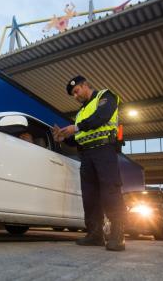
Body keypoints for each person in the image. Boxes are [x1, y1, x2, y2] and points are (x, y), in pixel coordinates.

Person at [53, 75, 126, 251]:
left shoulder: (105, 96)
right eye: (72, 95)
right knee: (90, 196)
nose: (75, 96)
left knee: (110, 191)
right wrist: (63, 138)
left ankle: (118, 235)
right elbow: (79, 138)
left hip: (104, 151)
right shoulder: (80, 114)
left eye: (76, 91)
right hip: (86, 156)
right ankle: (95, 235)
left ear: (85, 85)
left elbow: (101, 117)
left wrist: (75, 128)